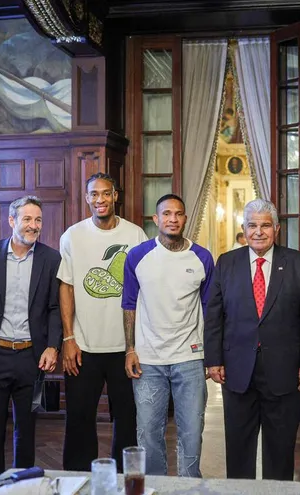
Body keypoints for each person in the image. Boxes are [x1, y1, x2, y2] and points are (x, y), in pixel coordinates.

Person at [204, 199, 300, 480]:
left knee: (280, 449)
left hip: (284, 370)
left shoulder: (297, 262)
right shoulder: (227, 262)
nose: (258, 232)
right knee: (238, 447)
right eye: (252, 225)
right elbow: (214, 316)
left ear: (276, 229)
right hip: (236, 369)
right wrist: (213, 360)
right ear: (244, 228)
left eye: (265, 225)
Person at [57, 173, 148, 471]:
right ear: (87, 198)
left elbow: (145, 288)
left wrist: (137, 344)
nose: (100, 199)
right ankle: (79, 481)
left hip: (126, 348)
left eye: (106, 193)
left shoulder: (136, 235)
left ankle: (125, 481)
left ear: (115, 196)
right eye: (94, 194)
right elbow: (66, 287)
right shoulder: (72, 236)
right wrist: (68, 338)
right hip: (83, 347)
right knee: (79, 419)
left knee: (128, 419)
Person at [122, 194, 214, 477]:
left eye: (178, 214)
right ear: (156, 219)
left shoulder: (202, 257)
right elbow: (129, 304)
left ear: (185, 218)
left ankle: (188, 488)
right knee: (148, 433)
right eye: (167, 214)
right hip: (148, 361)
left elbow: (210, 308)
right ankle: (156, 487)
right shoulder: (137, 256)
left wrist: (210, 354)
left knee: (192, 433)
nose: (172, 219)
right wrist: (130, 350)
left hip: (190, 358)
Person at [0, 195, 62, 482]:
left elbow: (54, 307)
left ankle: (24, 487)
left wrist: (53, 346)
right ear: (11, 221)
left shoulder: (51, 259)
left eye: (38, 220)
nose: (33, 225)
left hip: (32, 359)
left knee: (26, 430)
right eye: (27, 219)